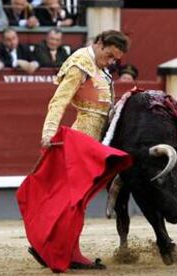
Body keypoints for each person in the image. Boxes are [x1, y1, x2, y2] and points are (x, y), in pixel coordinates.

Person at [20, 30, 130, 272]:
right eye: (109, 55)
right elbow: (59, 100)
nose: (111, 61)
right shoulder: (80, 63)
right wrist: (48, 132)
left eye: (115, 59)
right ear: (99, 44)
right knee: (73, 200)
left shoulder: (98, 66)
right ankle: (60, 250)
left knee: (76, 201)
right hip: (82, 140)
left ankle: (61, 248)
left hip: (96, 140)